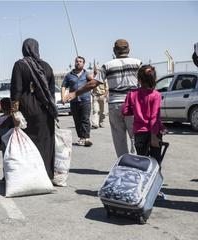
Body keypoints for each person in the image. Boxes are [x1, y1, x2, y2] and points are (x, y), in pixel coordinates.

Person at [65, 39, 142, 157]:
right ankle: (135, 162)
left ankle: (123, 164)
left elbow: (93, 83)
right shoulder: (138, 63)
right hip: (133, 105)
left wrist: (75, 93)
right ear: (129, 49)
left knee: (119, 138)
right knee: (135, 136)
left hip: (115, 105)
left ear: (114, 50)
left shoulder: (108, 65)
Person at [10, 38, 57, 179]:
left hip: (27, 110)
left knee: (28, 142)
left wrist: (14, 112)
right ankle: (47, 174)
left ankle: (30, 176)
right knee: (46, 141)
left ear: (24, 49)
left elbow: (16, 90)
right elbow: (52, 90)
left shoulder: (20, 65)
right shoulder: (47, 66)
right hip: (46, 109)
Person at [122, 65, 167, 200]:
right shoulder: (156, 95)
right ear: (154, 78)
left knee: (142, 162)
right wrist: (154, 135)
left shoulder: (132, 94)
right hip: (154, 133)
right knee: (155, 163)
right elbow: (154, 117)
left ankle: (142, 189)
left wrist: (136, 109)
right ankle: (155, 190)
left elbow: (125, 111)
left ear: (139, 79)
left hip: (139, 133)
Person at [61, 56, 93, 146]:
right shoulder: (69, 75)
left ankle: (86, 138)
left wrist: (93, 77)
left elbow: (94, 82)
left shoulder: (87, 74)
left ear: (83, 64)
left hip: (85, 100)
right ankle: (81, 137)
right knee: (77, 120)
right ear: (74, 63)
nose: (78, 63)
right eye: (77, 61)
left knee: (85, 119)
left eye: (80, 61)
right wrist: (63, 97)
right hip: (74, 101)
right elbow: (64, 86)